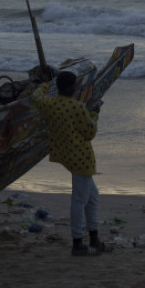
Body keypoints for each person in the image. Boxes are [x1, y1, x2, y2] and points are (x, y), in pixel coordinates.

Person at [30, 71, 111, 256]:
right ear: (72, 87)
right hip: (82, 158)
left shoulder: (51, 104)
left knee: (92, 197)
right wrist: (95, 113)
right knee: (80, 200)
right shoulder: (77, 107)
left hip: (68, 156)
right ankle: (77, 243)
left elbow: (35, 97)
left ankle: (94, 238)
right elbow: (90, 132)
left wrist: (45, 84)